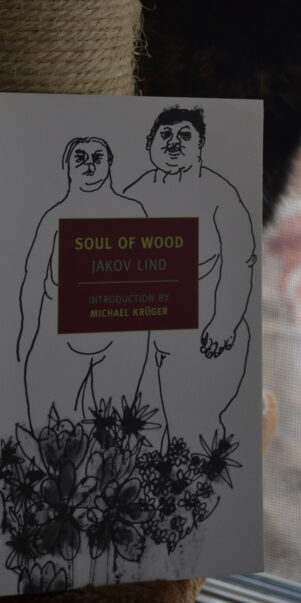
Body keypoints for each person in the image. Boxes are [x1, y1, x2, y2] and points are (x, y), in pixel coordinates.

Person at [124, 107, 256, 447]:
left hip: (205, 335)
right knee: (142, 431)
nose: (173, 143)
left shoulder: (220, 195)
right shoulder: (134, 193)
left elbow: (240, 259)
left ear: (200, 146)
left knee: (193, 429)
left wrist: (224, 323)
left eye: (185, 136)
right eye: (165, 135)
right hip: (148, 335)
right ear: (150, 143)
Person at [16, 136, 148, 431]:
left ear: (110, 163)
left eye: (97, 157)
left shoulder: (132, 211)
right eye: (80, 157)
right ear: (67, 167)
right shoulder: (53, 217)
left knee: (113, 428)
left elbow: (149, 279)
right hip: (58, 329)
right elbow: (33, 275)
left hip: (120, 335)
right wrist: (27, 330)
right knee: (48, 424)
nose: (89, 163)